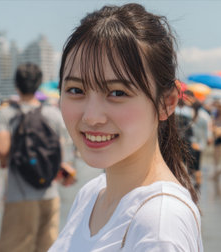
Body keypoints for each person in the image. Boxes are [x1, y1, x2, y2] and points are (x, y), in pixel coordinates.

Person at [49, 3, 202, 251]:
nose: (91, 117)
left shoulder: (160, 224)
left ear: (167, 102)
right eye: (76, 90)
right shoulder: (91, 195)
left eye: (117, 92)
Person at [0, 63, 69, 252]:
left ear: (16, 84)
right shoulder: (53, 114)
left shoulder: (7, 114)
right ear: (39, 84)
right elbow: (61, 153)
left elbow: (3, 151)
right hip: (50, 194)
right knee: (47, 247)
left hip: (19, 195)